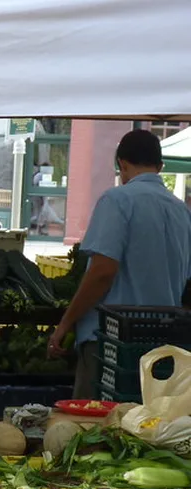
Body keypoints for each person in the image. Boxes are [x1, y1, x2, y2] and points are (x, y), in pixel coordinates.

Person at [48, 129, 191, 399]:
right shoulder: (182, 211)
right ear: (160, 167)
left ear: (121, 164)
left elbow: (102, 272)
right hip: (163, 344)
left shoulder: (117, 200)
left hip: (111, 342)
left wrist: (65, 323)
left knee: (95, 426)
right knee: (145, 428)